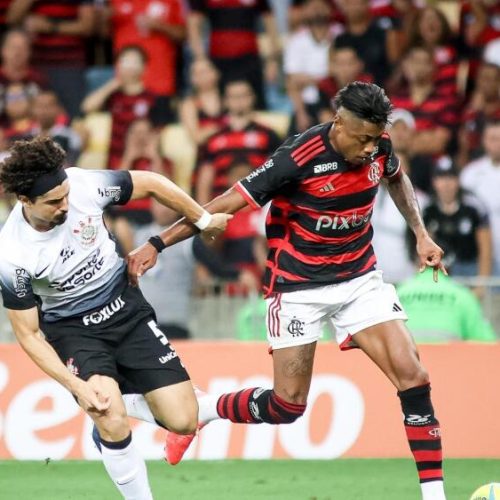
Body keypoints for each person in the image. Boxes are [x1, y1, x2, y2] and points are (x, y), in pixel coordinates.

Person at [127, 82, 448, 500]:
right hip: (298, 286)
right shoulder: (297, 158)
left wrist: (421, 234)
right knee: (288, 406)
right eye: (363, 138)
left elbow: (397, 179)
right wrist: (156, 244)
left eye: (375, 138)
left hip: (358, 278)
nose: (370, 149)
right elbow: (222, 205)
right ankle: (203, 410)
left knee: (415, 378)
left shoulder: (380, 145)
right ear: (339, 123)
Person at [0, 136, 231, 499]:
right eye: (54, 201)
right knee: (110, 417)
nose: (66, 204)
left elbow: (152, 183)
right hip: (74, 332)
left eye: (66, 193)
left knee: (184, 420)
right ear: (25, 200)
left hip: (126, 312)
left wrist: (203, 219)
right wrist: (75, 387)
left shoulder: (83, 185)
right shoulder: (12, 254)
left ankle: (121, 413)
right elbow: (28, 335)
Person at [81, 45, 164, 170]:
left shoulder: (153, 98)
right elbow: (87, 107)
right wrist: (112, 85)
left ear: (144, 68)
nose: (129, 67)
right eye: (125, 62)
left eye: (134, 62)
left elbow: (158, 132)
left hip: (143, 158)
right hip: (116, 158)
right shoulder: (113, 95)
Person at [423, 157, 492, 280]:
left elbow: (485, 250)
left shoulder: (473, 207)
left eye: (451, 177)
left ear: (458, 180)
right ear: (434, 181)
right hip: (441, 270)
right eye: (441, 177)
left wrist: (482, 283)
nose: (446, 183)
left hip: (470, 268)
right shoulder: (429, 210)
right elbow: (425, 250)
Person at [398, 268, 496, 343]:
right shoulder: (461, 294)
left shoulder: (399, 292)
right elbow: (487, 342)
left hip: (407, 361)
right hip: (449, 363)